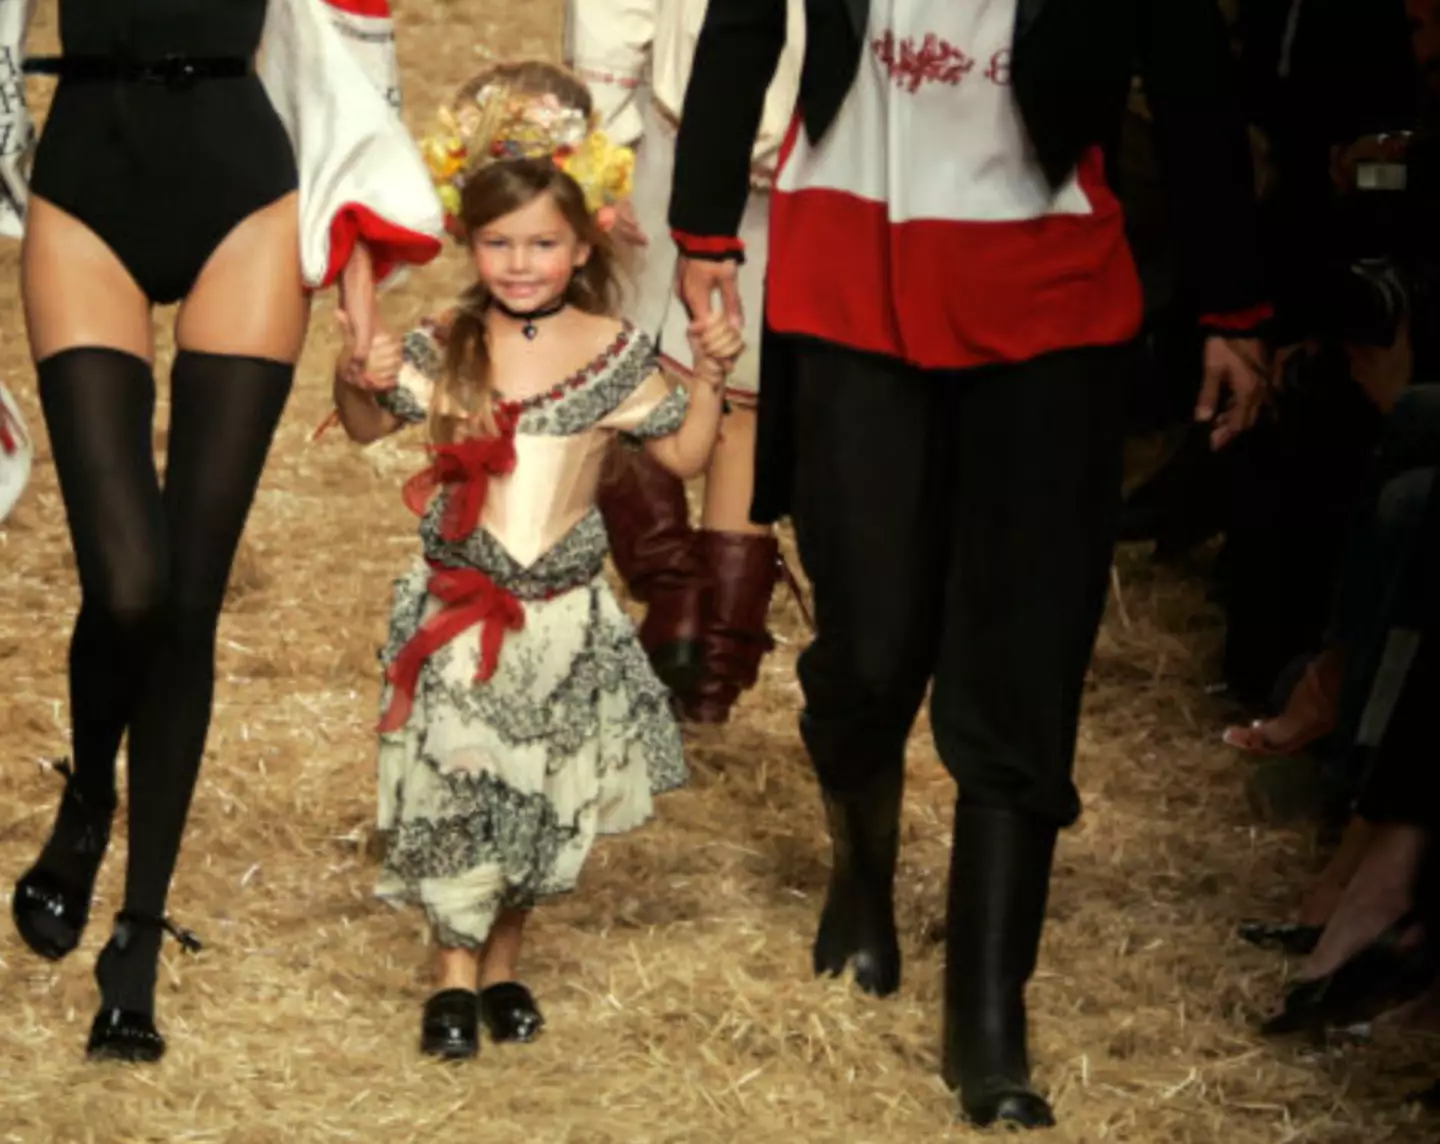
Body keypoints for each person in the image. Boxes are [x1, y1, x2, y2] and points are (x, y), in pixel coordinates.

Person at [667, 0, 1270, 1128]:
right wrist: (703, 227)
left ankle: (989, 1010)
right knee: (867, 647)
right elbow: (745, 16)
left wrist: (1234, 305)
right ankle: (861, 879)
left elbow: (1191, 68)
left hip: (1050, 290)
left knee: (1023, 657)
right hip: (847, 270)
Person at [1, 0, 444, 1063]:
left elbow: (343, 58)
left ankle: (138, 937)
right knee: (126, 583)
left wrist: (361, 298)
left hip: (245, 194)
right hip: (86, 184)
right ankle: (89, 798)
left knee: (190, 594)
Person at [331, 61, 740, 1061]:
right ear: (470, 243)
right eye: (499, 242)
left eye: (542, 243)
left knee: (536, 796)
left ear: (583, 242)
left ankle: (504, 963)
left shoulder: (613, 351)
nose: (520, 264)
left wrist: (713, 372)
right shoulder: (446, 342)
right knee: (456, 788)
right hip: (457, 616)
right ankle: (451, 976)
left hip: (560, 620)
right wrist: (354, 374)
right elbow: (365, 426)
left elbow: (684, 457)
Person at [567, 0, 805, 723]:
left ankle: (682, 614)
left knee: (635, 370)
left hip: (703, 109)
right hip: (820, 142)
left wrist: (602, 129)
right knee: (730, 398)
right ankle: (708, 668)